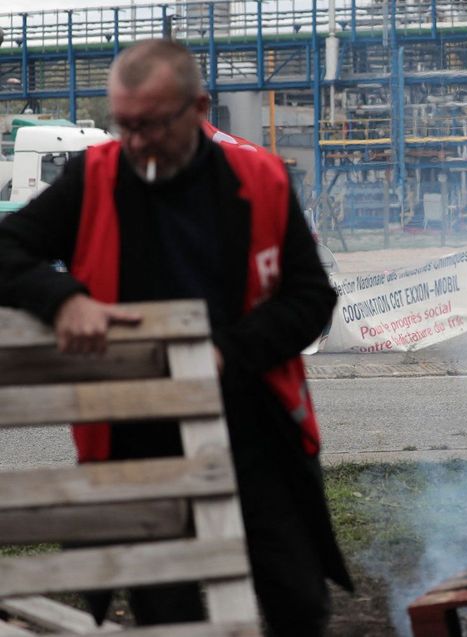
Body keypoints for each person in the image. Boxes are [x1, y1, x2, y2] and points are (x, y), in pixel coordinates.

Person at [0, 39, 351, 636]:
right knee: (167, 610)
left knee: (296, 597)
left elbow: (312, 296)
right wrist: (65, 299)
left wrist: (226, 353)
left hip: (255, 422)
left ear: (199, 108)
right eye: (124, 124)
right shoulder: (96, 178)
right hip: (137, 431)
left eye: (152, 125)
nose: (135, 142)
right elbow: (8, 250)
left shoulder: (259, 179)